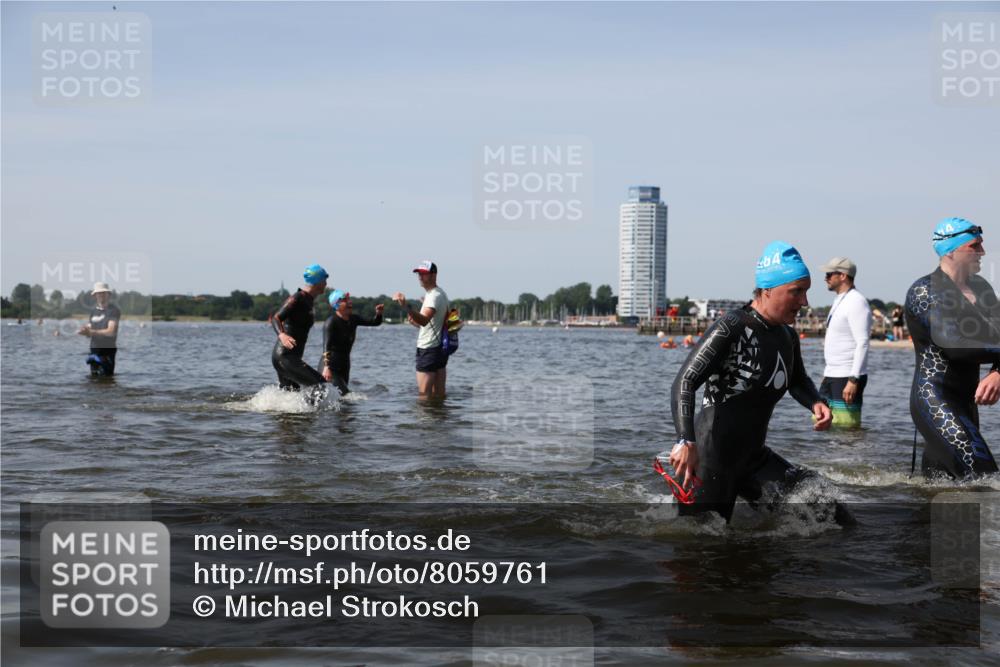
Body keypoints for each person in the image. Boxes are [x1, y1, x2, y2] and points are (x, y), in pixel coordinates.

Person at [666, 241, 845, 524]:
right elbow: (685, 382)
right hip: (709, 461)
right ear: (767, 289)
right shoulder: (733, 326)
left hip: (753, 459)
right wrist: (685, 440)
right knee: (701, 551)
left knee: (827, 510)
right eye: (796, 291)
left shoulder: (787, 335)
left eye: (806, 291)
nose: (805, 302)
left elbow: (796, 379)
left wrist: (815, 402)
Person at [905, 218, 1000, 478]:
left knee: (938, 489)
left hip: (966, 401)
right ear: (951, 250)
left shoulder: (981, 288)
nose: (982, 252)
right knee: (984, 478)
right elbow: (955, 347)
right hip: (934, 399)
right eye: (975, 246)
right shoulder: (925, 291)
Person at [819, 257, 872, 428]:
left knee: (846, 428)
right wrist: (827, 374)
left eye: (829, 274)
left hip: (847, 375)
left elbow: (862, 342)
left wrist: (853, 379)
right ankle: (828, 456)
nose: (825, 278)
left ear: (843, 276)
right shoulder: (840, 299)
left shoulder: (856, 301)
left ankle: (851, 456)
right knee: (823, 423)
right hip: (833, 373)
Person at [393, 260, 449, 398]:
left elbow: (424, 320)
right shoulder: (440, 293)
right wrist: (415, 323)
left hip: (428, 349)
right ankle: (439, 418)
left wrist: (406, 306)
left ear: (434, 275)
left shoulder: (433, 296)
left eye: (424, 274)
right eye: (419, 274)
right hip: (439, 349)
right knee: (439, 396)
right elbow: (432, 324)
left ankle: (424, 420)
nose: (420, 277)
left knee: (424, 396)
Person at [271, 264, 328, 393]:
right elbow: (276, 318)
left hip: (290, 358)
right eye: (324, 280)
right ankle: (312, 412)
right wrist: (282, 335)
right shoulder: (298, 297)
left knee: (291, 396)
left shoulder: (309, 300)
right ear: (318, 281)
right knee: (321, 385)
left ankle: (296, 413)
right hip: (284, 356)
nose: (326, 283)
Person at [320, 290, 384, 395]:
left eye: (349, 299)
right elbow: (326, 346)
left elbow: (375, 323)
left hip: (344, 364)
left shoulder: (354, 319)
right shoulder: (331, 322)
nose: (350, 302)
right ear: (337, 304)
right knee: (345, 394)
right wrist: (327, 367)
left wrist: (379, 314)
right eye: (345, 300)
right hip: (330, 366)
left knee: (342, 398)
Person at [77, 282, 120, 377]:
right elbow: (89, 328)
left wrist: (91, 332)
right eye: (98, 293)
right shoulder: (93, 311)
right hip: (94, 351)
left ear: (108, 294)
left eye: (103, 292)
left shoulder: (113, 311)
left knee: (106, 381)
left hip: (107, 351)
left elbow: (111, 331)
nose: (101, 295)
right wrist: (84, 331)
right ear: (95, 295)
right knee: (93, 381)